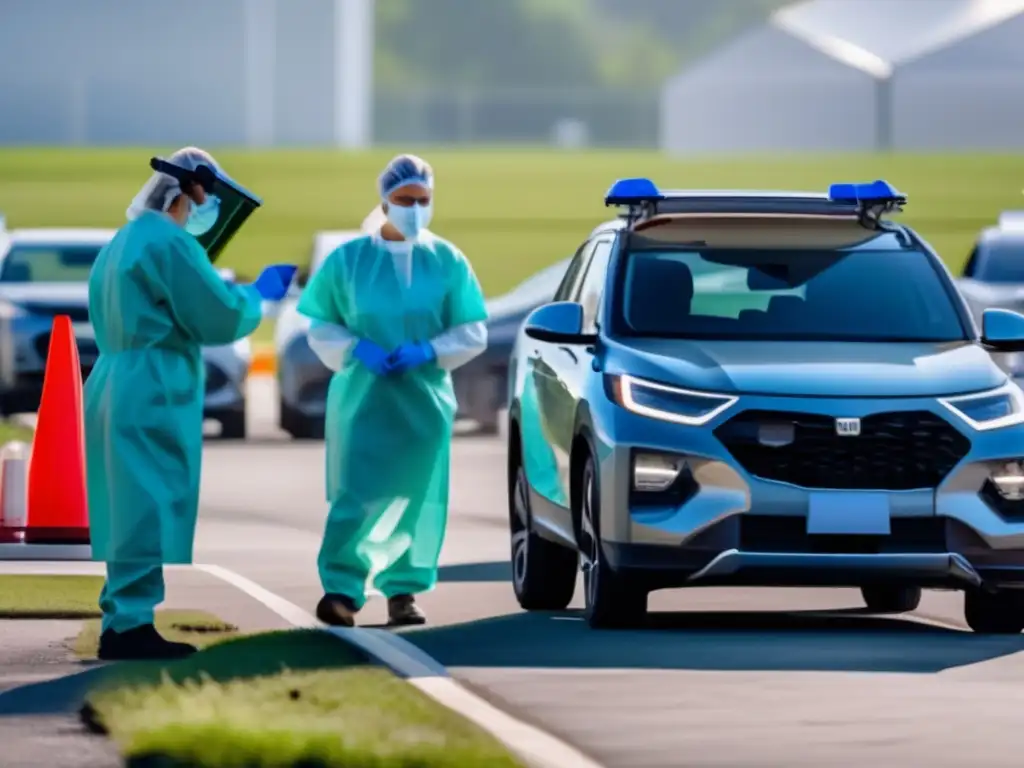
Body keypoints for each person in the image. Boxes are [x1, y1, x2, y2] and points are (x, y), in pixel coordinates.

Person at [86, 147, 295, 660]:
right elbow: (217, 315)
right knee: (146, 506)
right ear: (194, 190)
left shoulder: (124, 240)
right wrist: (259, 295)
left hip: (115, 380)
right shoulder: (168, 242)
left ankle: (122, 616)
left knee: (126, 503)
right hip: (152, 387)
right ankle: (130, 626)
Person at [298, 154, 488, 627]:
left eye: (423, 201)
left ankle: (403, 591)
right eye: (405, 200)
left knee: (416, 497)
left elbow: (472, 331)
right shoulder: (349, 261)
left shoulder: (447, 260)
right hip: (363, 401)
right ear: (384, 201)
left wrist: (429, 350)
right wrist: (354, 347)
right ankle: (341, 589)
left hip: (424, 403)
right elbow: (320, 324)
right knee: (356, 495)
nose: (415, 209)